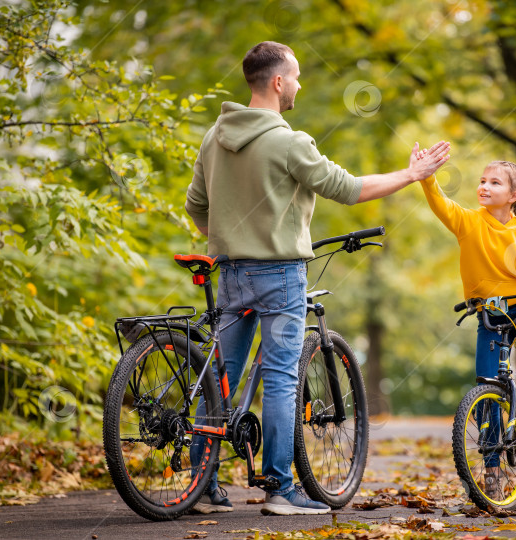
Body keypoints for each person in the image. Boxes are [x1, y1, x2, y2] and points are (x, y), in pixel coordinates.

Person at [184, 41, 450, 516]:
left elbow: (196, 207)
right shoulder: (290, 141)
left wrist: (228, 236)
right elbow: (349, 190)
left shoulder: (214, 137)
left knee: (219, 377)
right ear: (279, 82)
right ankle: (281, 491)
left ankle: (201, 486)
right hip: (280, 275)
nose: (301, 85)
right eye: (298, 76)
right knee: (283, 380)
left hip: (228, 272)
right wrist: (412, 175)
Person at [418, 159, 516, 495]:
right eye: (482, 181)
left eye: (494, 183)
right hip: (490, 312)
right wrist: (427, 176)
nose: (484, 187)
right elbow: (440, 203)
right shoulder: (468, 222)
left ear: (513, 195)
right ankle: (491, 469)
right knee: (487, 387)